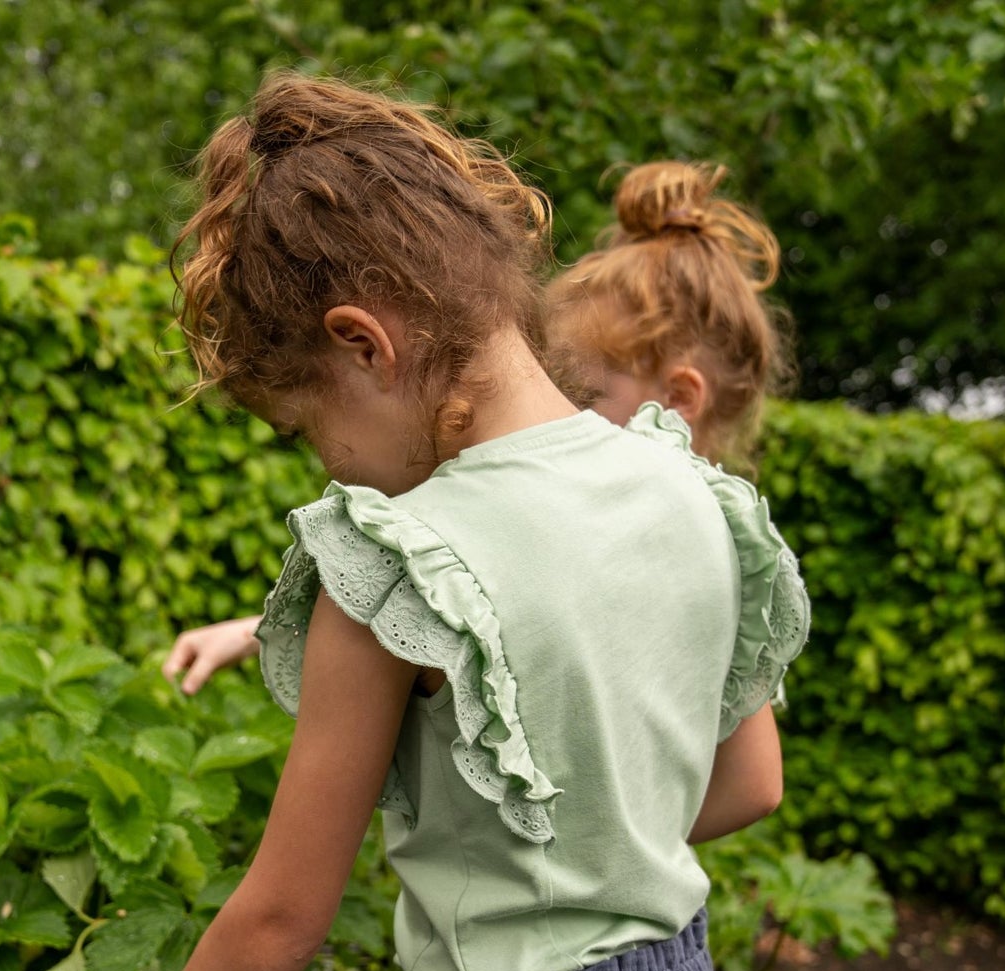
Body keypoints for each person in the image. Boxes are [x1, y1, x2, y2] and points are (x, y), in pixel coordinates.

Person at [107, 72, 809, 971]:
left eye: (310, 424)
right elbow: (745, 788)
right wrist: (598, 839)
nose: (335, 467)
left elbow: (279, 919)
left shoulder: (397, 558)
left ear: (366, 343)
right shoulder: (693, 488)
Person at [161, 158, 792, 699]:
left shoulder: (666, 537)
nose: (558, 412)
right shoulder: (696, 536)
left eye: (586, 393)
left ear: (680, 400)